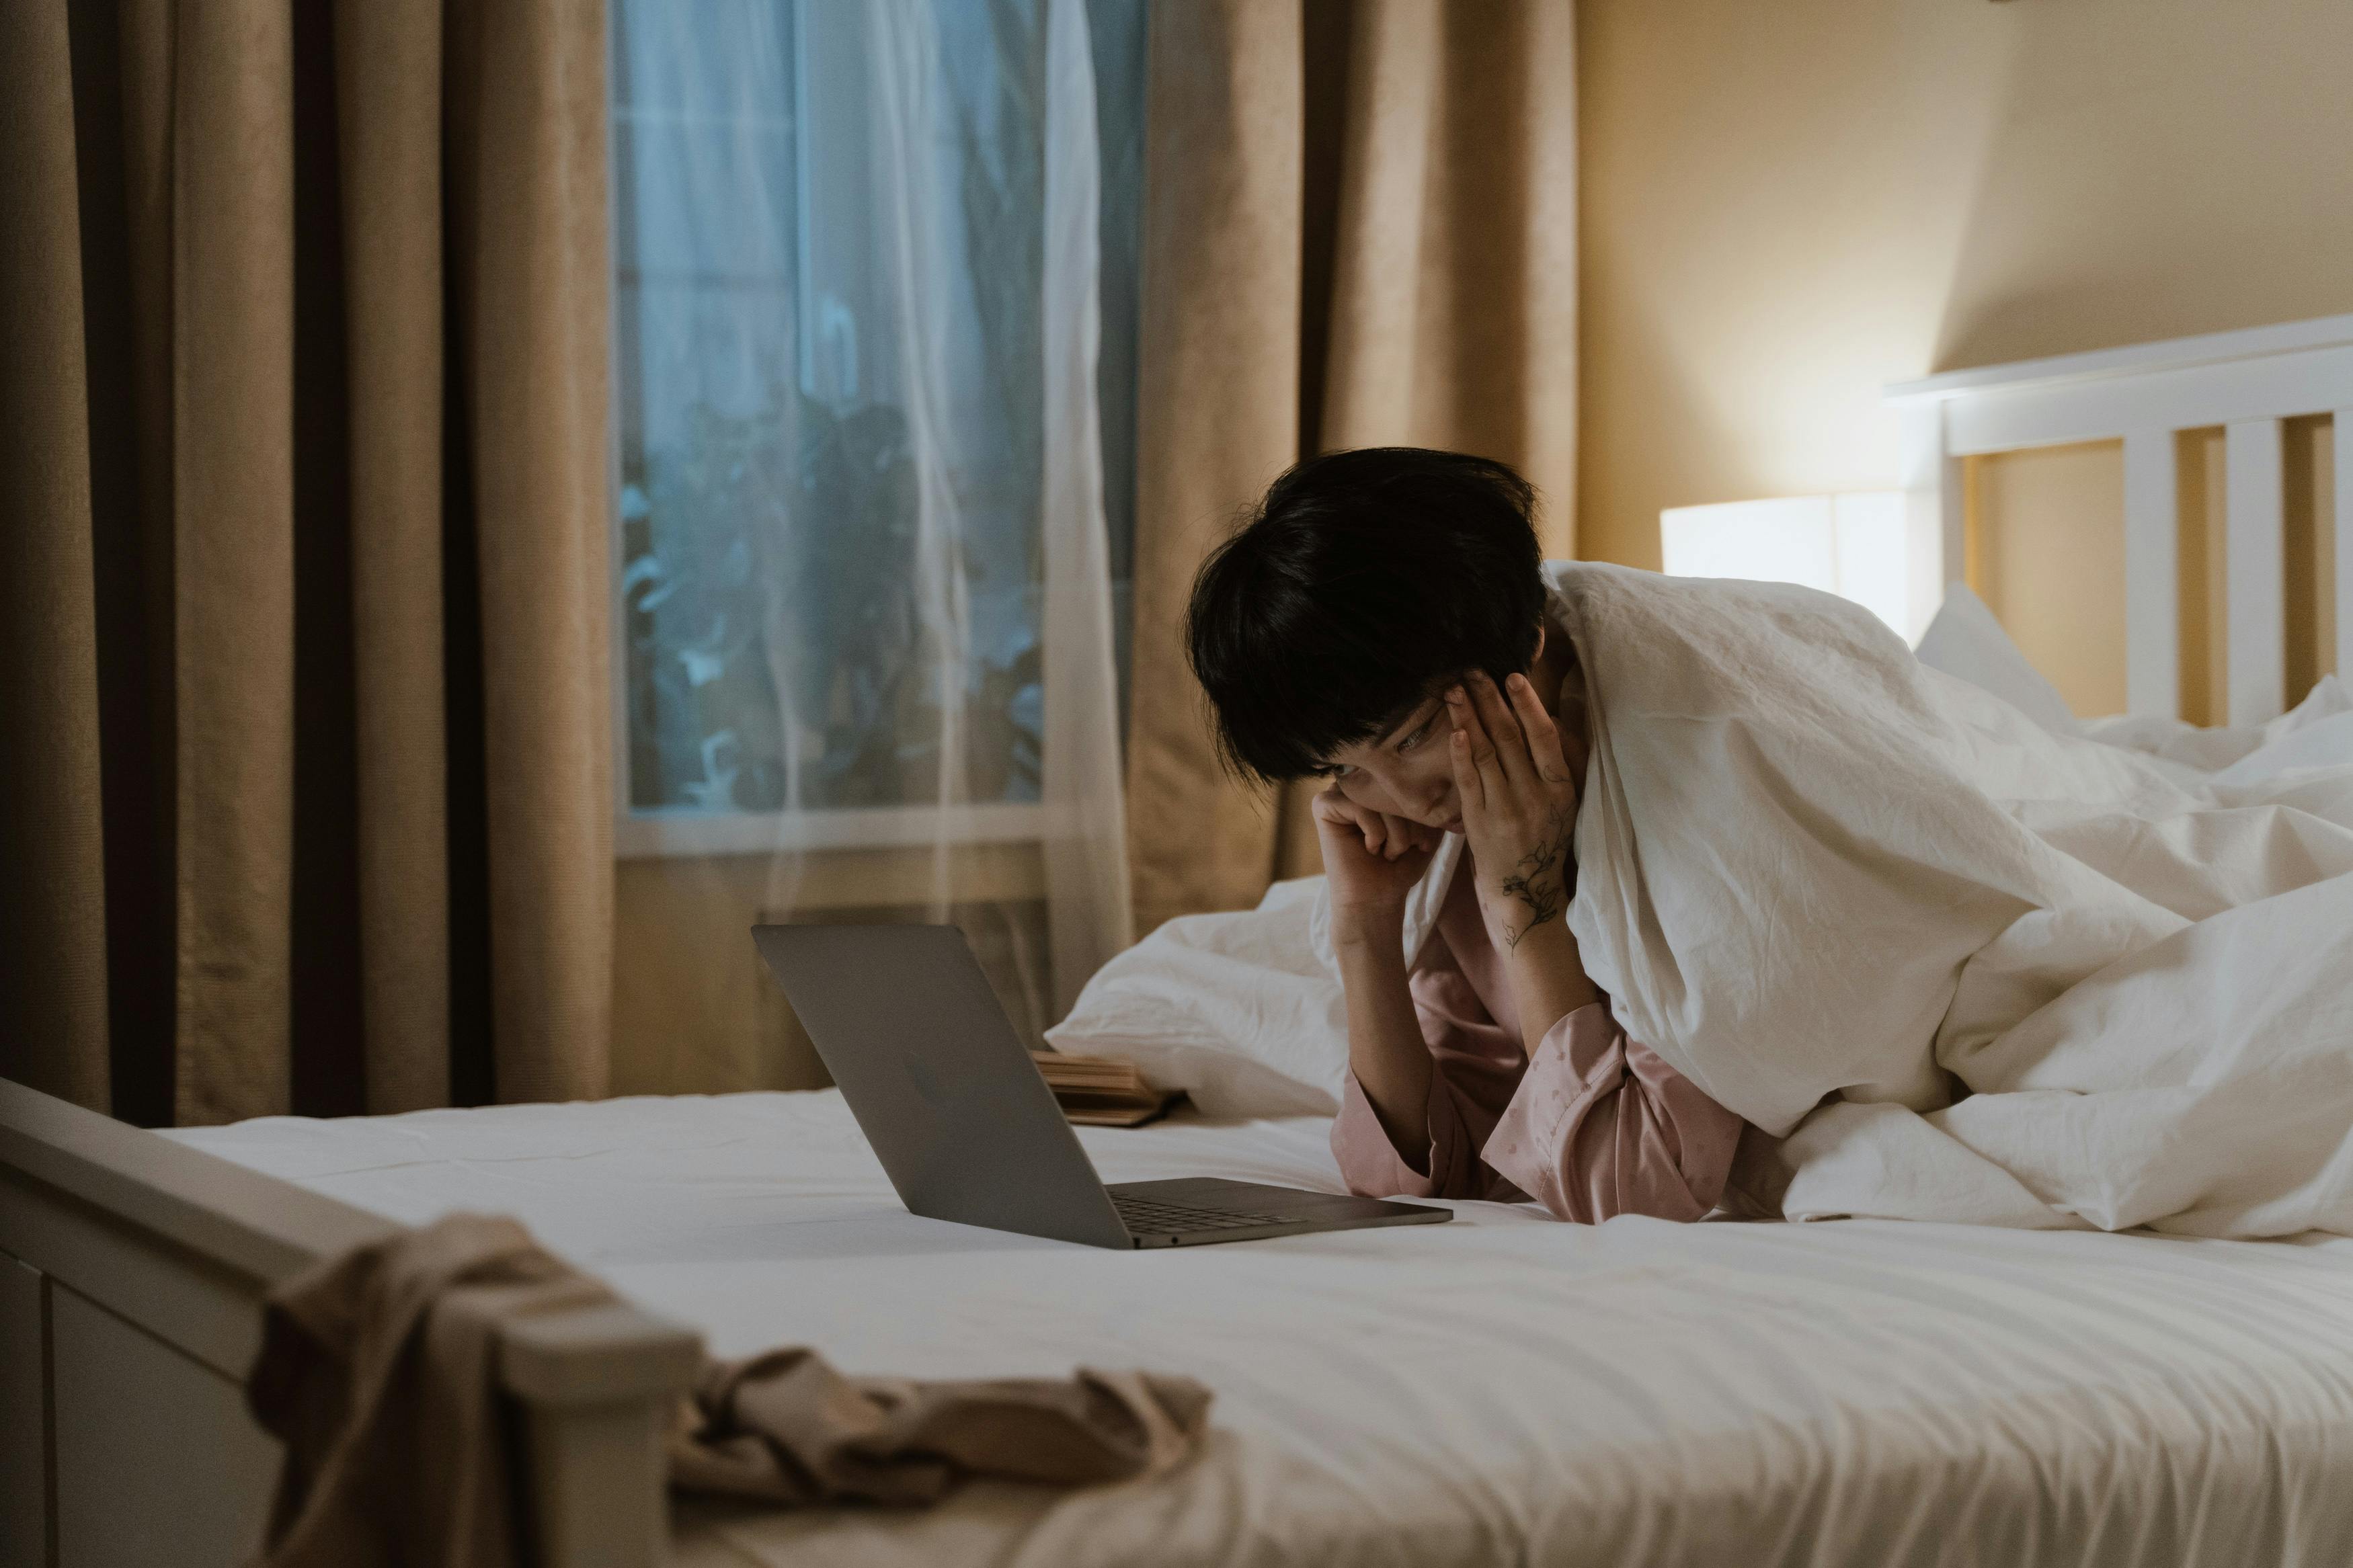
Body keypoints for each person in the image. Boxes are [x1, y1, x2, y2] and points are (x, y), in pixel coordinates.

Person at [1185, 448, 1745, 1223]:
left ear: (1525, 647)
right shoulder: (1455, 846)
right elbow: (1418, 1177)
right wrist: (1365, 934)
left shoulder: (1694, 795)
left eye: (1414, 735)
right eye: (1341, 767)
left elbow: (1630, 1191)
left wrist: (1528, 904)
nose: (1407, 798)